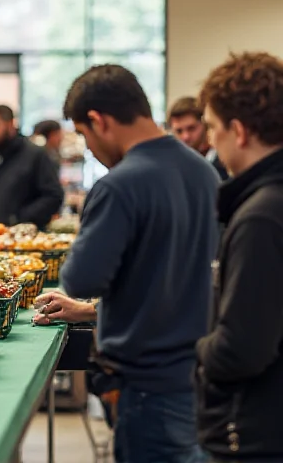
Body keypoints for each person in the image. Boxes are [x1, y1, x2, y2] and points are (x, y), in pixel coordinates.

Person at [57, 64, 219, 463]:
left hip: (146, 382)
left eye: (84, 135)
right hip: (199, 373)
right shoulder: (205, 173)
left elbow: (81, 277)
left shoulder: (119, 185)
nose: (89, 149)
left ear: (99, 121)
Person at [196, 52, 283, 461]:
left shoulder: (260, 217)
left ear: (240, 131)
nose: (211, 141)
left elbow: (241, 349)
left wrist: (196, 346)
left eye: (213, 128)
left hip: (251, 435)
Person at [0, 106, 64, 229]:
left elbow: (53, 196)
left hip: (25, 241)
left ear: (10, 124)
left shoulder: (35, 156)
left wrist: (19, 218)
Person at [168, 96, 229, 180]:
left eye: (191, 128)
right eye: (179, 131)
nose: (186, 136)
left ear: (205, 125)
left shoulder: (225, 162)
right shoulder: (171, 167)